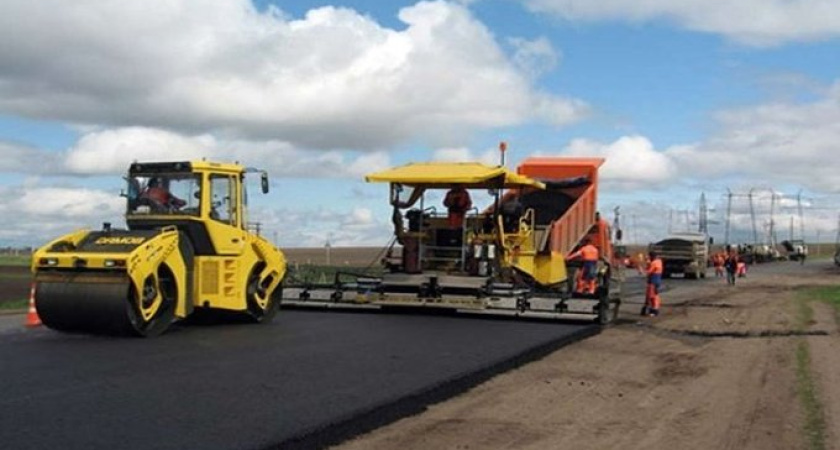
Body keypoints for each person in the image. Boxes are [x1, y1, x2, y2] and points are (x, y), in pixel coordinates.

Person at [643, 251, 663, 316]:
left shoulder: (654, 263)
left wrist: (643, 270)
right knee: (656, 295)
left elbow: (649, 271)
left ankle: (653, 310)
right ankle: (655, 309)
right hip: (657, 280)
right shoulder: (659, 261)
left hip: (653, 281)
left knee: (651, 296)